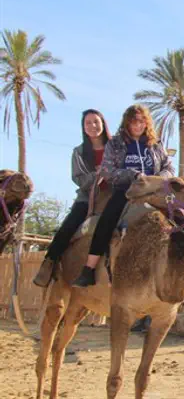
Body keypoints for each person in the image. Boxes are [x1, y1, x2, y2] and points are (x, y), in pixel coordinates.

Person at [72, 104, 174, 287]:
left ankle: (176, 277)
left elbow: (168, 167)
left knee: (181, 218)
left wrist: (160, 178)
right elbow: (108, 170)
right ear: (127, 123)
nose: (138, 126)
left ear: (147, 123)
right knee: (107, 220)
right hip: (127, 191)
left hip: (155, 191)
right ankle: (89, 269)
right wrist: (132, 175)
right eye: (134, 122)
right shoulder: (115, 143)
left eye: (141, 121)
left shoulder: (156, 144)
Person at [32, 109, 112, 287]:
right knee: (68, 226)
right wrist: (98, 175)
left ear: (103, 123)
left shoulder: (116, 147)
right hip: (88, 197)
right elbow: (78, 178)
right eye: (88, 123)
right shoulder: (79, 152)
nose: (92, 126)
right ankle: (49, 263)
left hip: (114, 196)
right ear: (83, 128)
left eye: (96, 122)